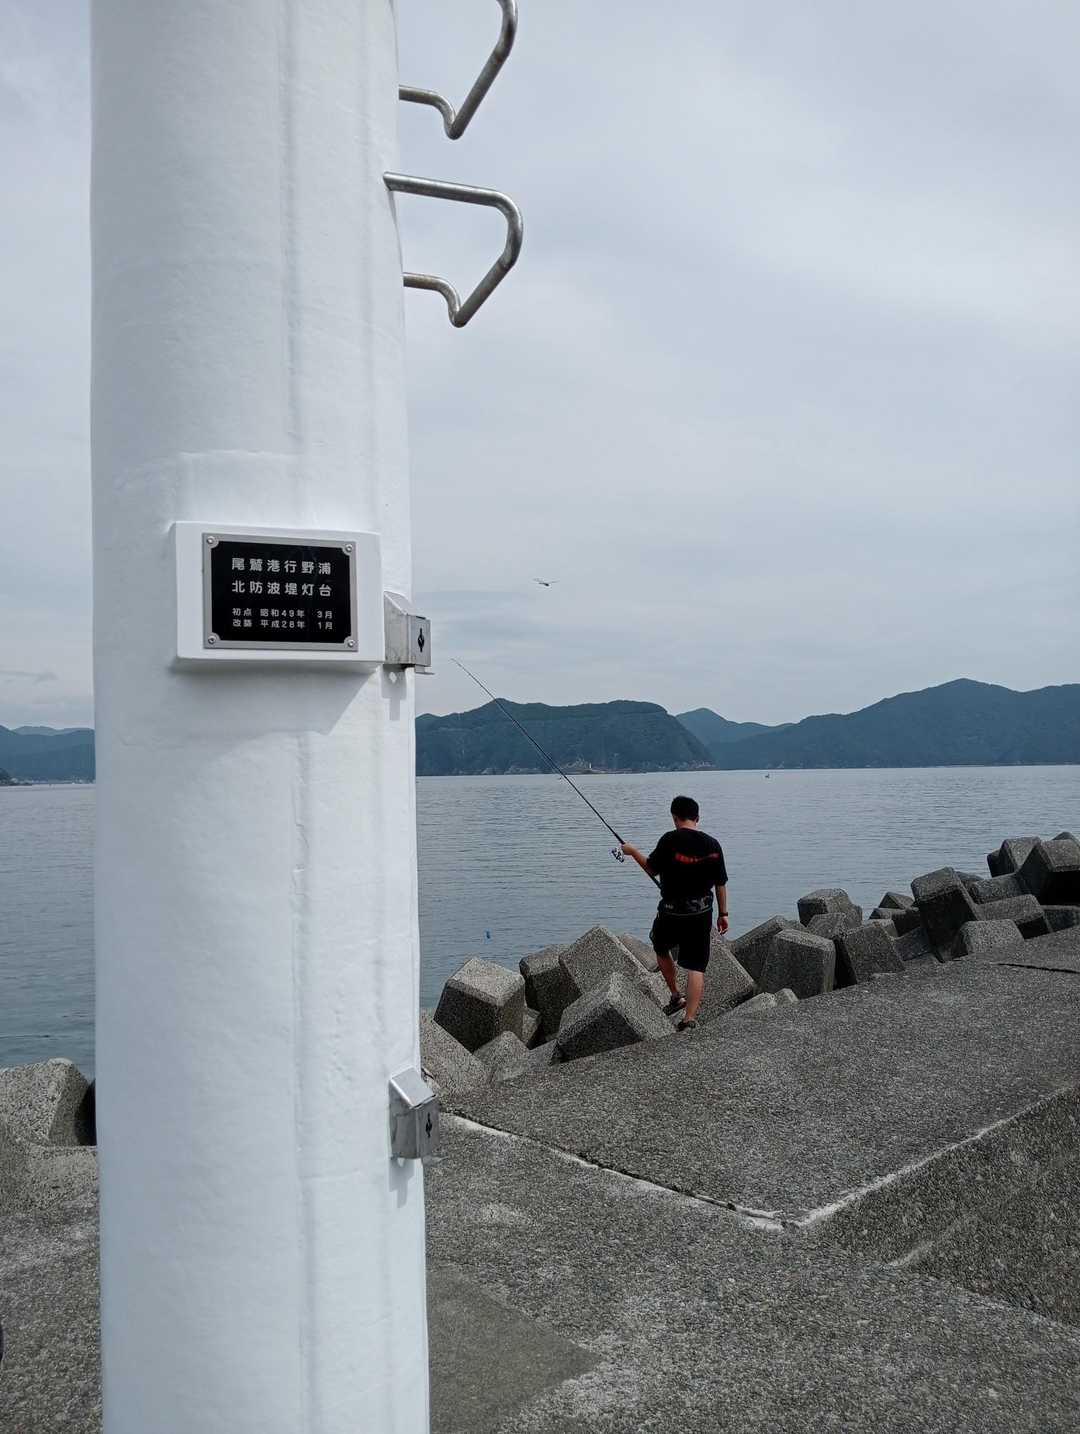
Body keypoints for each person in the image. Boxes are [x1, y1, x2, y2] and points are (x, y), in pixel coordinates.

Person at [621, 795, 729, 1031]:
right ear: (697, 817)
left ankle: (675, 995)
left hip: (671, 913)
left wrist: (632, 851)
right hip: (702, 913)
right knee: (696, 966)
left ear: (674, 817)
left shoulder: (669, 840)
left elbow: (651, 868)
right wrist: (724, 914)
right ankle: (688, 1019)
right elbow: (720, 883)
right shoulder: (713, 845)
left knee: (660, 947)